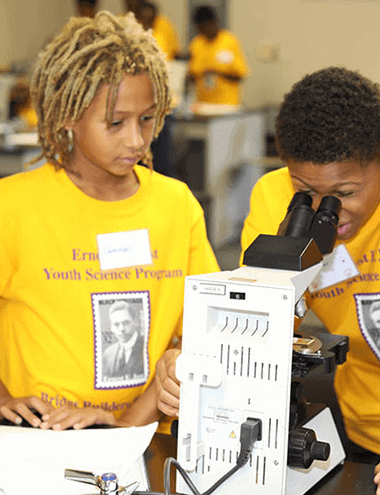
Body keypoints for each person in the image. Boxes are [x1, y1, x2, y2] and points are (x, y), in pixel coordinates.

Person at [155, 66, 380, 495]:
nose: (327, 209)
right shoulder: (272, 196)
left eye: (345, 192)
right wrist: (193, 364)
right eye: (305, 189)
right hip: (367, 427)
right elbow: (257, 332)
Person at [0, 11, 219, 432]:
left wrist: (124, 427)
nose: (136, 139)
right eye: (115, 123)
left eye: (148, 118)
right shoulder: (13, 208)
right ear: (68, 115)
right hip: (40, 440)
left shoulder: (176, 205)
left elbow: (202, 337)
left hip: (143, 438)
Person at [186, 5, 248, 106]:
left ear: (215, 22)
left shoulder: (229, 41)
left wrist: (216, 72)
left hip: (227, 105)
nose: (205, 32)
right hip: (203, 104)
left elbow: (240, 76)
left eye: (207, 27)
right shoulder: (196, 44)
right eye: (201, 29)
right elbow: (191, 75)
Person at [103, 300, 145, 379]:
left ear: (135, 322)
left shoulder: (147, 346)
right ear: (111, 328)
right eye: (116, 324)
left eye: (126, 323)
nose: (121, 329)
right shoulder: (108, 354)